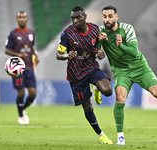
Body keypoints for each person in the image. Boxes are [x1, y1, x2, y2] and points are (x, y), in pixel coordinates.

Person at [98, 5, 157, 145]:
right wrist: (98, 47)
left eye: (110, 16)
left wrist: (121, 46)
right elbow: (96, 51)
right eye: (105, 16)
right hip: (121, 71)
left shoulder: (127, 29)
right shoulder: (100, 32)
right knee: (120, 97)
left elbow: (134, 51)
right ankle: (120, 137)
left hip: (139, 67)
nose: (107, 19)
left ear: (116, 17)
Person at [56, 6, 113, 144]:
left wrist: (99, 53)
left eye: (78, 17)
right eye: (73, 18)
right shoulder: (67, 34)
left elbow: (96, 50)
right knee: (88, 107)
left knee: (108, 91)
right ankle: (101, 134)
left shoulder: (95, 30)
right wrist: (66, 55)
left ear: (85, 17)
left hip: (91, 67)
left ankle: (97, 88)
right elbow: (58, 55)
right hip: (76, 74)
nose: (75, 21)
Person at [5, 11, 39, 124]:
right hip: (18, 68)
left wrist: (36, 55)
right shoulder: (13, 34)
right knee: (21, 93)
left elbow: (31, 47)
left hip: (30, 67)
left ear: (27, 19)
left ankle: (22, 108)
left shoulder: (31, 33)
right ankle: (21, 116)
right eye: (19, 17)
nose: (22, 19)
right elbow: (7, 50)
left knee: (33, 94)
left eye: (23, 17)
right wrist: (18, 55)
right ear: (17, 19)